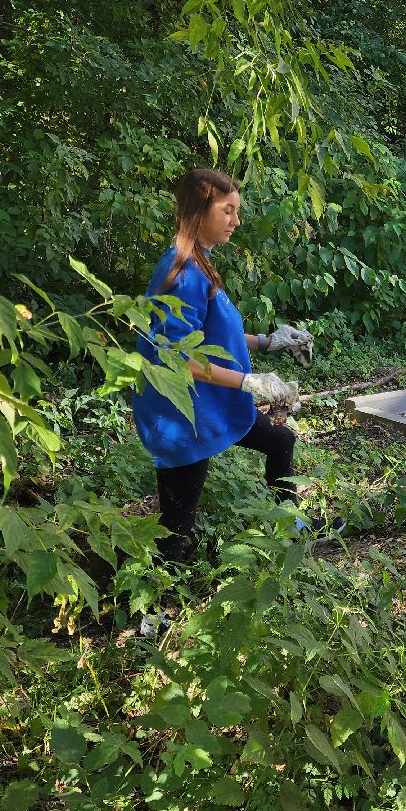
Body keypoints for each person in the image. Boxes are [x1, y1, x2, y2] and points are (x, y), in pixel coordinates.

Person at [132, 167, 317, 563]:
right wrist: (250, 382)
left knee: (280, 440)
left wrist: (269, 342)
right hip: (185, 414)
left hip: (214, 403)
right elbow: (178, 357)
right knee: (177, 523)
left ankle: (290, 524)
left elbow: (212, 337)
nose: (236, 220)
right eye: (228, 210)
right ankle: (153, 610)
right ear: (200, 211)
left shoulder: (200, 262)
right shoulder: (182, 273)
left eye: (237, 211)